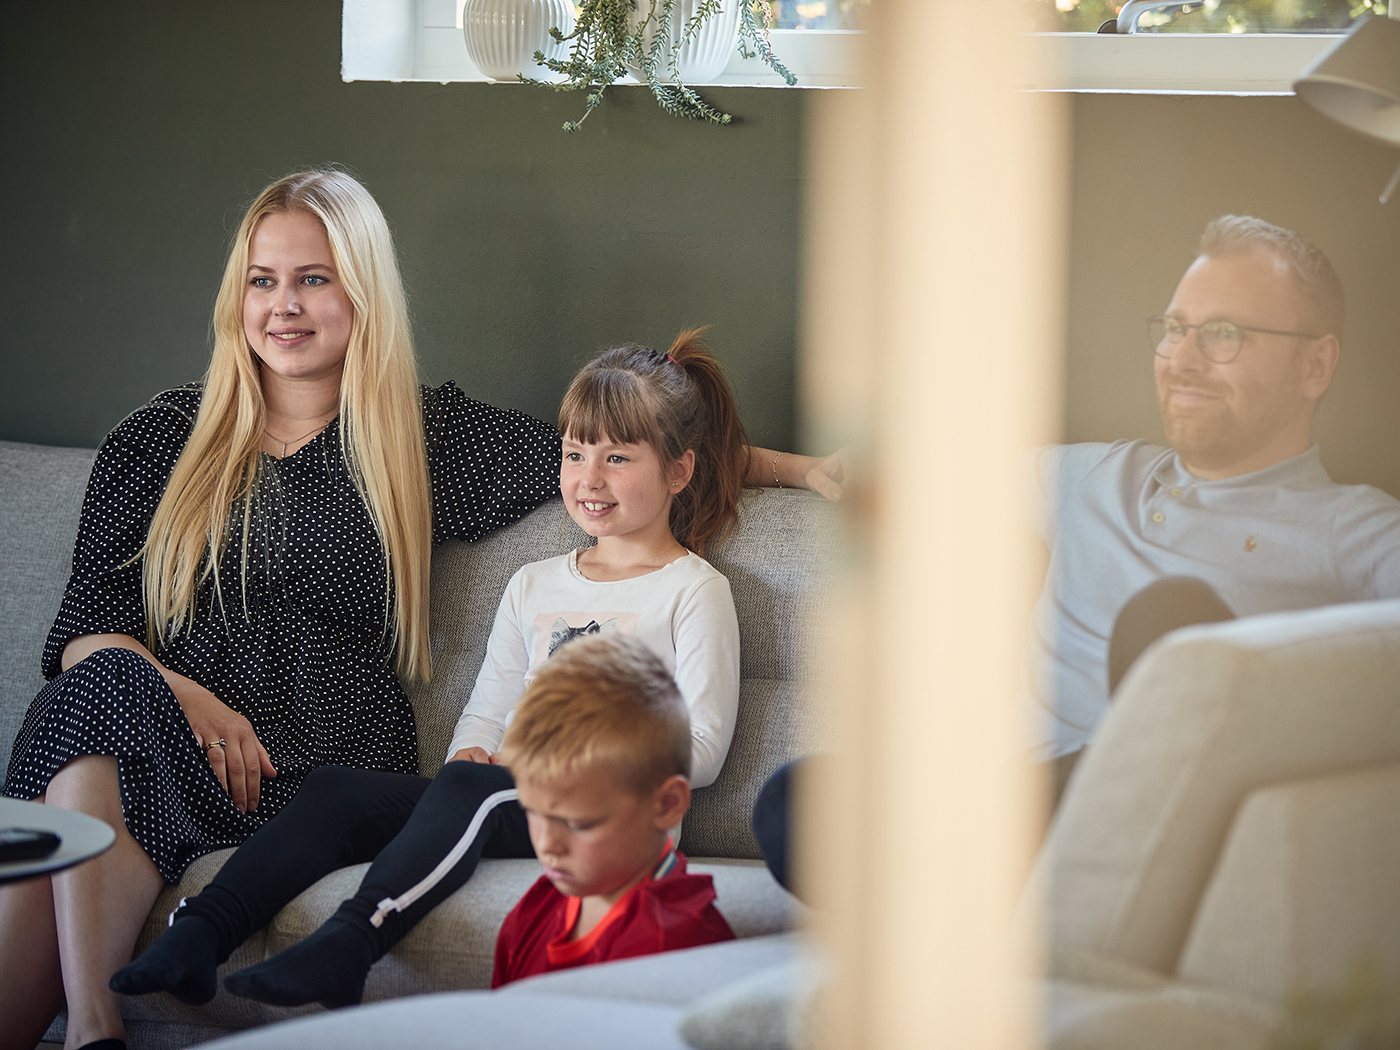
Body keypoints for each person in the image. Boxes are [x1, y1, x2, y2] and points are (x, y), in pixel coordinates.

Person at [0, 168, 838, 1050]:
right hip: (177, 749)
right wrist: (183, 695)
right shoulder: (157, 437)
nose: (284, 306)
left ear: (361, 292)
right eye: (263, 280)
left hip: (323, 762)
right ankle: (93, 1028)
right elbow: (80, 629)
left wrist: (804, 472)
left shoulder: (424, 436)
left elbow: (627, 450)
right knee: (96, 693)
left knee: (92, 758)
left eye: (313, 279)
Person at [112, 329, 747, 1010]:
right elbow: (487, 707)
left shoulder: (691, 590)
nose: (589, 478)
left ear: (677, 472)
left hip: (603, 818)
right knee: (337, 793)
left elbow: (701, 749)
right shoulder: (534, 584)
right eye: (573, 454)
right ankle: (200, 934)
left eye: (618, 457)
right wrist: (467, 751)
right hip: (502, 797)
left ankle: (351, 943)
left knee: (482, 789)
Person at [1032, 215, 1400, 791]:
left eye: (1224, 332)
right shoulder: (1098, 473)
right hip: (982, 807)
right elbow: (932, 472)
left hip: (1140, 807)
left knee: (1170, 617)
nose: (1182, 360)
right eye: (1177, 328)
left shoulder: (1349, 526)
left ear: (1315, 367)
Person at [490, 634, 735, 987]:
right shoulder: (533, 910)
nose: (547, 845)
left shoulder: (682, 949)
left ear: (667, 805)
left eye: (578, 823)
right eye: (533, 812)